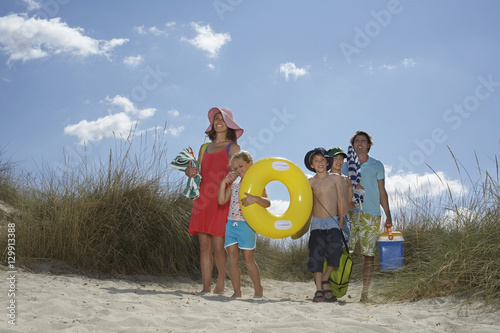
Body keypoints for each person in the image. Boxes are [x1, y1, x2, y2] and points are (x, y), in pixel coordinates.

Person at [186, 107, 243, 294]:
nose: (218, 121)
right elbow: (197, 173)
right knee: (204, 246)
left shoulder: (233, 148)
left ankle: (220, 282)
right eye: (216, 118)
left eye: (223, 119)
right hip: (203, 199)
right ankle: (205, 287)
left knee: (219, 246)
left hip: (221, 200)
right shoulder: (204, 148)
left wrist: (232, 175)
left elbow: (239, 171)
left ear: (229, 124)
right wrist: (190, 172)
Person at [341, 131, 392, 302]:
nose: (360, 143)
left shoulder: (377, 165)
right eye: (357, 141)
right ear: (353, 144)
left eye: (364, 141)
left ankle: (365, 294)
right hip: (350, 213)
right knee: (344, 252)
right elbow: (339, 190)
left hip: (371, 214)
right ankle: (338, 288)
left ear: (369, 145)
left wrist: (388, 215)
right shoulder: (345, 165)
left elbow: (382, 191)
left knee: (368, 255)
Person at [217, 151, 269, 298]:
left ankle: (258, 290)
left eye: (241, 166)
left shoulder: (257, 183)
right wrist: (223, 183)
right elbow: (221, 200)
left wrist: (255, 199)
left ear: (250, 164)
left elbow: (268, 203)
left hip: (246, 225)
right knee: (232, 259)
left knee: (248, 260)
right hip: (231, 224)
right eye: (235, 168)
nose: (239, 170)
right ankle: (237, 291)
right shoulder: (234, 184)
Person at [304, 147, 344, 302]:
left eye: (322, 160)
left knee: (335, 253)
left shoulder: (335, 178)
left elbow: (340, 199)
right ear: (311, 165)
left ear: (328, 162)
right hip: (317, 224)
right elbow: (306, 204)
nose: (320, 163)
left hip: (333, 221)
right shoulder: (310, 182)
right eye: (316, 161)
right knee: (316, 256)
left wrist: (340, 220)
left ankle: (326, 278)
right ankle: (319, 289)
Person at [327, 147, 361, 245]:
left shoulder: (347, 180)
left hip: (346, 220)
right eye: (335, 158)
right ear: (328, 160)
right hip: (330, 218)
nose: (339, 161)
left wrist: (359, 195)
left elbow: (350, 205)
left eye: (341, 158)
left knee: (343, 251)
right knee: (330, 251)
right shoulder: (324, 179)